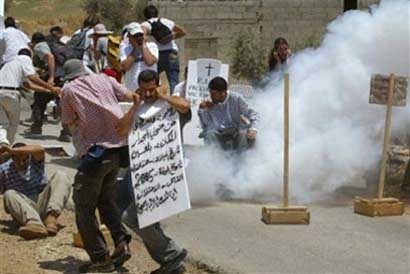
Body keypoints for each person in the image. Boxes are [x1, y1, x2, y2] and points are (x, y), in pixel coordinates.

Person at [60, 59, 134, 273]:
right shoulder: (105, 78)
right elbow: (129, 97)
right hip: (119, 152)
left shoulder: (68, 89)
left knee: (83, 207)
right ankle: (121, 243)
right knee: (106, 201)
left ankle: (101, 259)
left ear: (68, 76)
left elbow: (67, 121)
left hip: (95, 154)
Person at [117, 69, 190, 274]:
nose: (148, 94)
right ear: (138, 87)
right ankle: (170, 262)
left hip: (164, 170)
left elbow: (185, 107)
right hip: (140, 171)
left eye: (151, 89)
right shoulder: (137, 108)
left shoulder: (169, 103)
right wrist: (134, 107)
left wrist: (163, 96)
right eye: (144, 89)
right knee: (144, 217)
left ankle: (172, 255)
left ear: (157, 85)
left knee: (132, 217)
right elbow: (120, 131)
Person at [0, 143, 71, 239]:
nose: (21, 163)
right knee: (9, 193)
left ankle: (51, 218)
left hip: (43, 204)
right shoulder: (4, 170)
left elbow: (40, 150)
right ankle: (34, 224)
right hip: (23, 209)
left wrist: (13, 151)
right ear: (12, 158)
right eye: (17, 159)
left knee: (61, 176)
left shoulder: (35, 162)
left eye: (24, 159)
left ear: (29, 155)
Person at [0, 48, 60, 146]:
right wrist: (51, 87)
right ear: (29, 56)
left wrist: (48, 90)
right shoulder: (25, 59)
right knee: (13, 123)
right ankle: (7, 147)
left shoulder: (10, 63)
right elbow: (32, 77)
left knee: (2, 124)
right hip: (11, 93)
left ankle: (2, 143)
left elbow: (27, 85)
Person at [27, 32, 71, 141]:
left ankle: (36, 128)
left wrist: (51, 77)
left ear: (33, 42)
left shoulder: (39, 46)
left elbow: (50, 57)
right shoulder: (56, 45)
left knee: (39, 101)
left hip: (52, 78)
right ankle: (66, 132)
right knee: (63, 104)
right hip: (63, 76)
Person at [198, 76, 259, 151]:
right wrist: (202, 110)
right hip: (219, 132)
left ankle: (243, 161)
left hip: (236, 130)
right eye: (210, 93)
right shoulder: (208, 102)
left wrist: (253, 129)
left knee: (243, 135)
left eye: (214, 94)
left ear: (223, 92)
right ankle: (212, 161)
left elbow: (253, 113)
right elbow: (206, 125)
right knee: (209, 135)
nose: (211, 96)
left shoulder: (236, 98)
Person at [141, 4, 186, 93]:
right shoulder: (166, 21)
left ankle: (156, 100)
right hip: (172, 53)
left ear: (145, 15)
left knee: (153, 80)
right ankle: (175, 103)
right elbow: (183, 31)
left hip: (157, 55)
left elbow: (142, 36)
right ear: (157, 13)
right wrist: (171, 37)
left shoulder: (146, 24)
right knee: (173, 81)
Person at [120, 22, 158, 92]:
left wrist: (143, 46)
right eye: (135, 36)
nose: (138, 38)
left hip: (150, 89)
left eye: (140, 35)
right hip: (132, 88)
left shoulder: (152, 46)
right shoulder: (125, 48)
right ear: (129, 37)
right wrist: (135, 49)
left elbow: (149, 62)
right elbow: (125, 67)